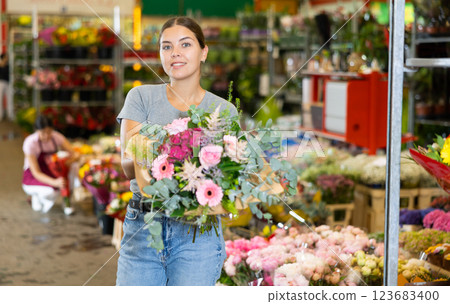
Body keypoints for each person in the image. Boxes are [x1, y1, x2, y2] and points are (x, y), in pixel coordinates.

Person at [116, 16, 238, 286]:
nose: (175, 53)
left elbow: (228, 175)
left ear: (203, 52)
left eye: (185, 44)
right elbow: (127, 166)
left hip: (198, 234)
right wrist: (165, 154)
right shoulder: (140, 97)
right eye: (166, 47)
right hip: (145, 225)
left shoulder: (224, 111)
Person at [22, 115, 77, 215]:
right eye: (43, 133)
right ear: (36, 130)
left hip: (53, 170)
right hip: (34, 175)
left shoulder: (56, 137)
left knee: (74, 167)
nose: (47, 136)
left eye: (49, 132)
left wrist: (67, 161)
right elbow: (36, 172)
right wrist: (55, 182)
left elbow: (73, 153)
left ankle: (67, 200)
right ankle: (36, 196)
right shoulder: (30, 143)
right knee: (50, 192)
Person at [0, 52, 13, 121]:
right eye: (6, 57)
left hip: (7, 83)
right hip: (1, 83)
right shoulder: (1, 65)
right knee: (0, 99)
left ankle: (10, 115)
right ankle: (0, 115)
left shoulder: (8, 66)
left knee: (9, 98)